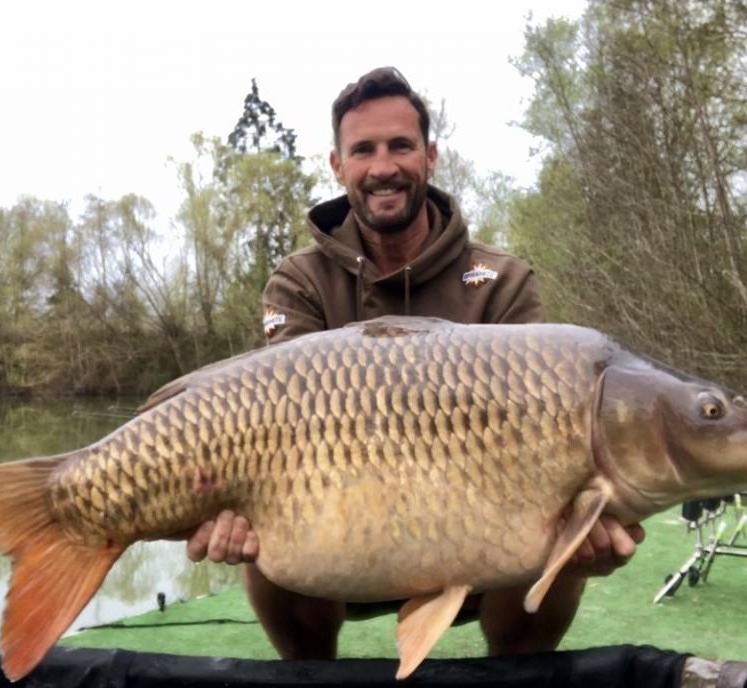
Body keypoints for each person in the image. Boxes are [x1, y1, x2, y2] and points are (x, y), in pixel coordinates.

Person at [184, 67, 645, 661]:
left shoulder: (500, 281)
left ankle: (514, 673)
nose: (383, 167)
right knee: (263, 539)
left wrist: (583, 532)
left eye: (401, 146)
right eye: (363, 150)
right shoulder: (300, 280)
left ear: (429, 156)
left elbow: (547, 429)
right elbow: (276, 428)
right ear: (337, 165)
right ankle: (312, 676)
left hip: (485, 539)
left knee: (558, 533)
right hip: (337, 540)